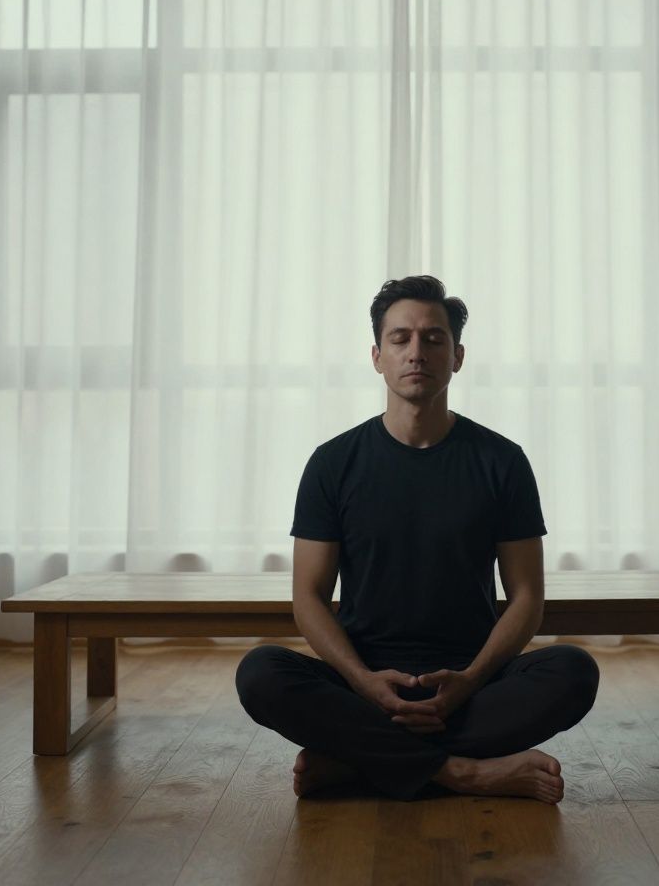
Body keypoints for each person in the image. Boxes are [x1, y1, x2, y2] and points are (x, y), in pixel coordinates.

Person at [235, 275, 599, 803]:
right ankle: (463, 773)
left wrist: (470, 681)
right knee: (261, 673)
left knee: (573, 671)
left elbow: (527, 598)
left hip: (468, 679)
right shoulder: (333, 463)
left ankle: (359, 761)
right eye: (401, 338)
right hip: (364, 680)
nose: (417, 352)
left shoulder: (502, 461)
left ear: (457, 356)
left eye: (434, 339)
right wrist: (362, 682)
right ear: (377, 355)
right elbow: (308, 598)